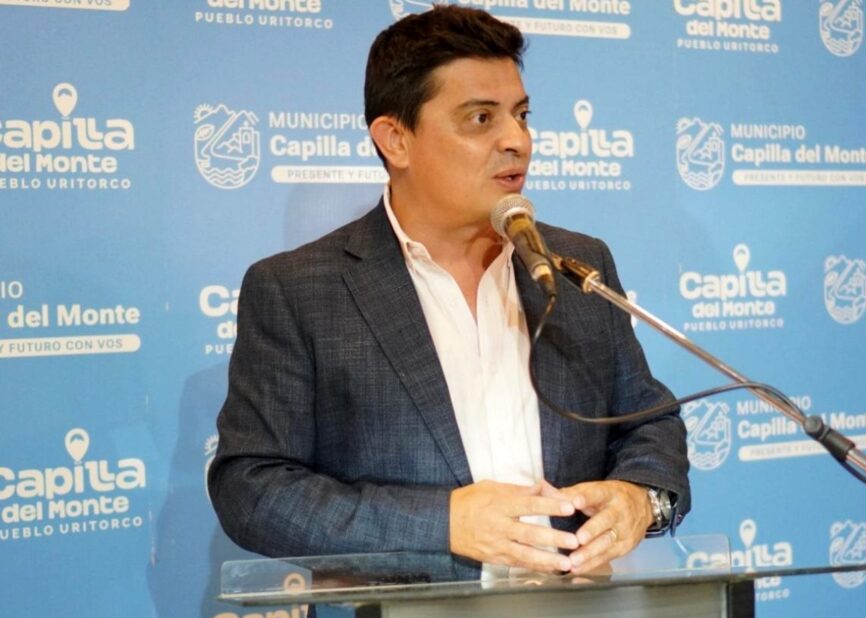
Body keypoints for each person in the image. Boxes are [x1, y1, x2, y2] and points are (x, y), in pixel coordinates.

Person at [209, 6, 689, 584]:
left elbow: (649, 422)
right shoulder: (298, 290)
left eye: (521, 114)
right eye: (481, 118)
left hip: (578, 613)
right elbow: (253, 490)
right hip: (402, 617)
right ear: (396, 140)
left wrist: (641, 498)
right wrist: (444, 524)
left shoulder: (575, 267)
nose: (517, 140)